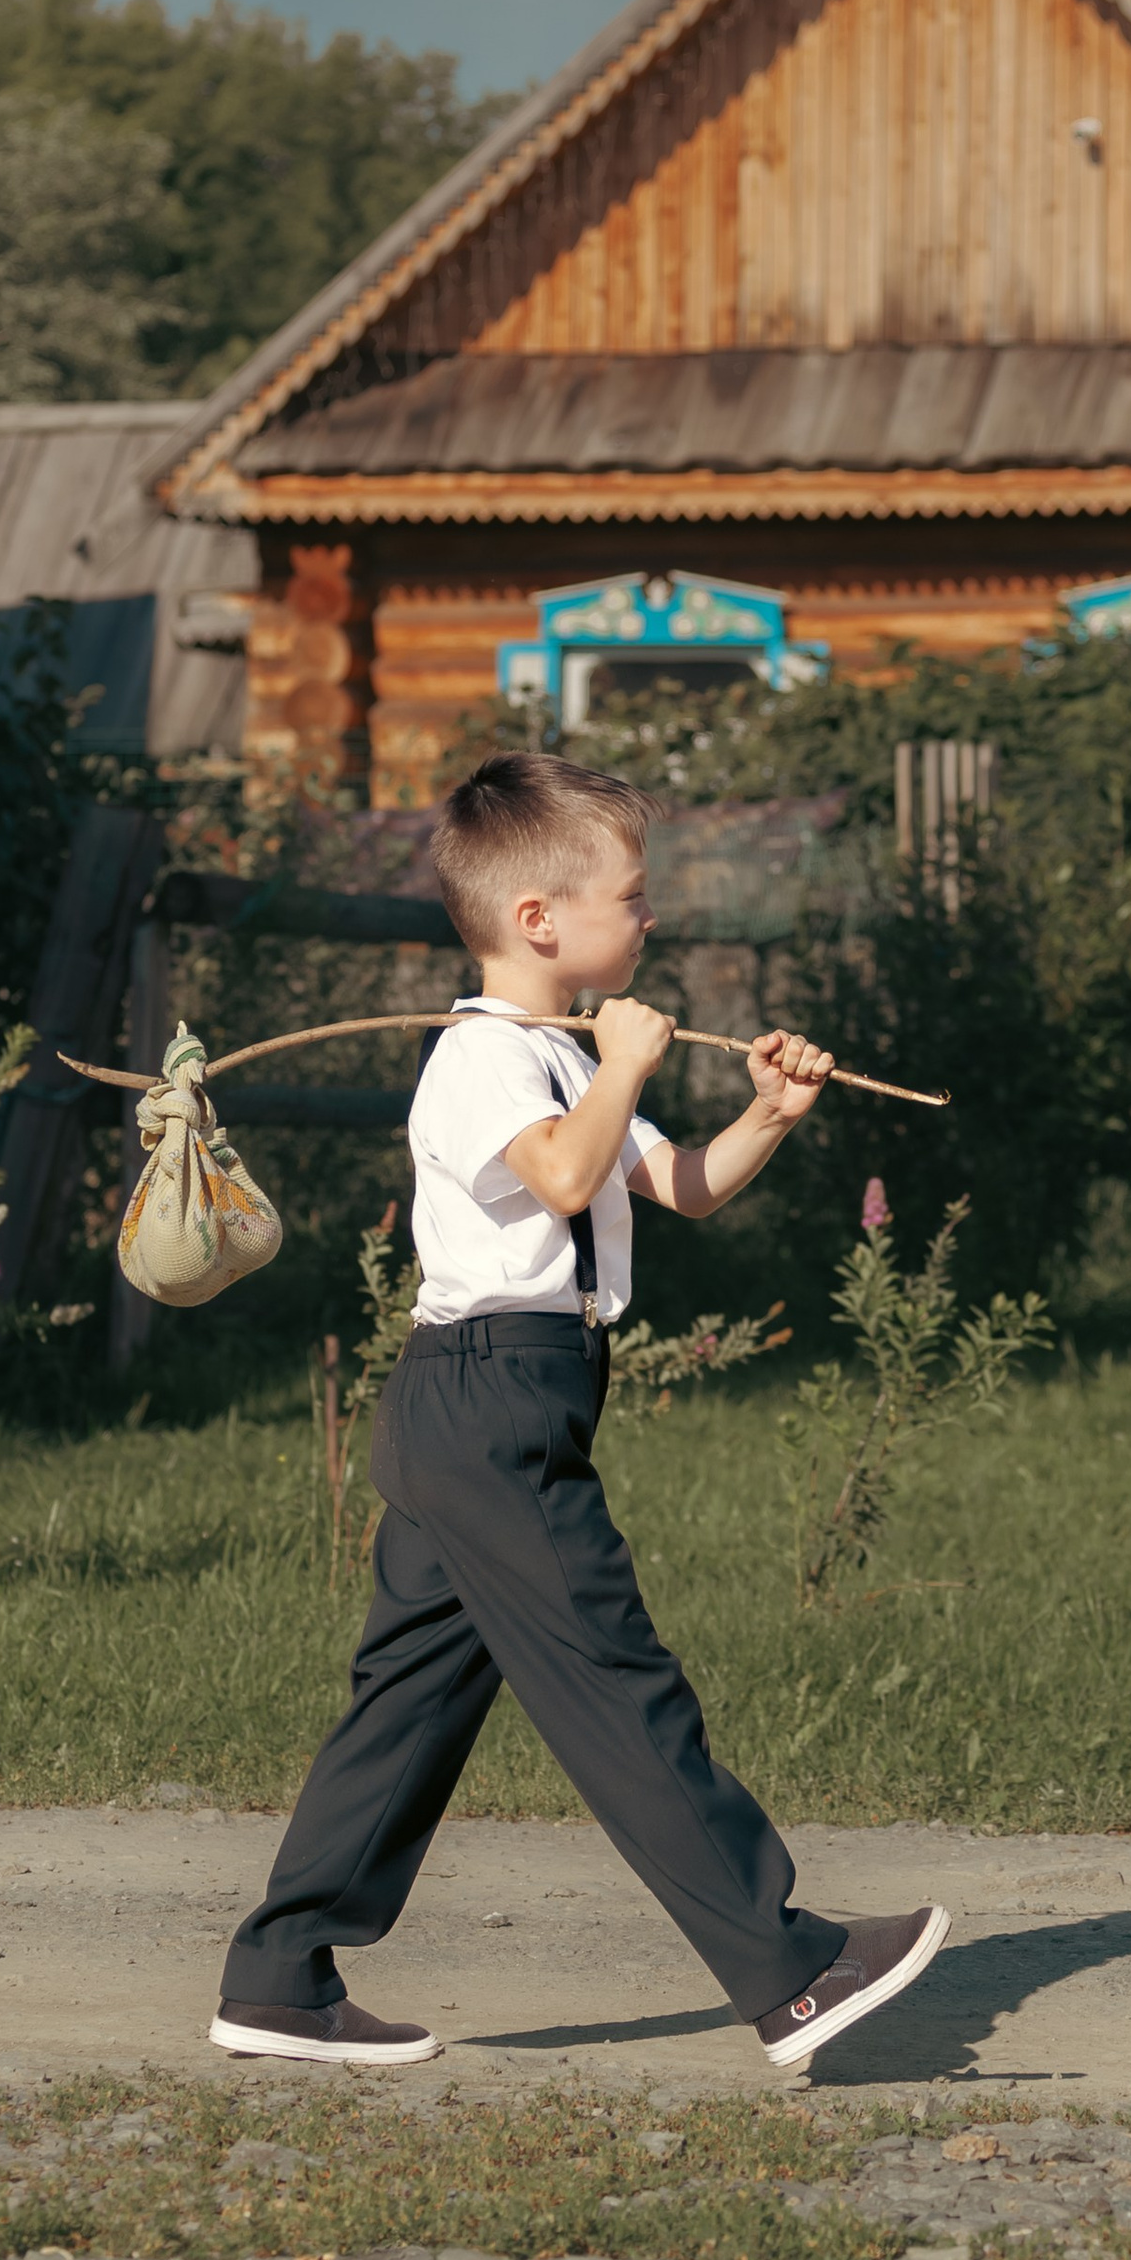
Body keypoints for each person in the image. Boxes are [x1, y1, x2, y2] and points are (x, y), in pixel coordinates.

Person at [214, 751, 948, 2074]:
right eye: (633, 893)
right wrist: (620, 1062)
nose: (652, 915)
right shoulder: (483, 1059)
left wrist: (772, 1113)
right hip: (487, 1400)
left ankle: (278, 1976)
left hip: (500, 1398)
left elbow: (684, 1183)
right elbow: (563, 1175)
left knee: (408, 1706)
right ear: (539, 919)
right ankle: (790, 1970)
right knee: (616, 1679)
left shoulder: (561, 1055)